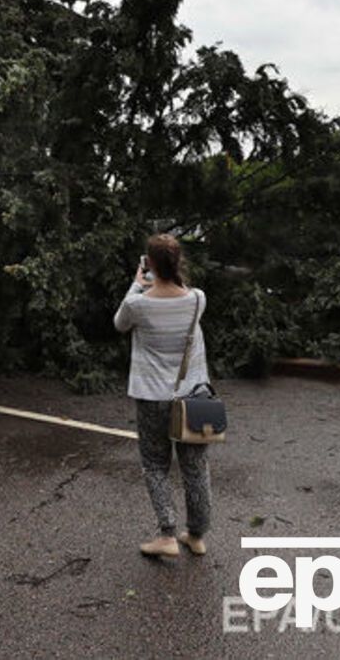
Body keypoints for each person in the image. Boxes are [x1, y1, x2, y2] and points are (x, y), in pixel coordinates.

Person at [113, 233, 212, 558]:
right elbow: (179, 293)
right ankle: (196, 536)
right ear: (179, 261)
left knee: (155, 464)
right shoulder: (198, 299)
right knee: (195, 468)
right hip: (194, 398)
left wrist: (137, 283)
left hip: (152, 398)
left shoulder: (137, 303)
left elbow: (119, 323)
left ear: (150, 263)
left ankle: (167, 534)